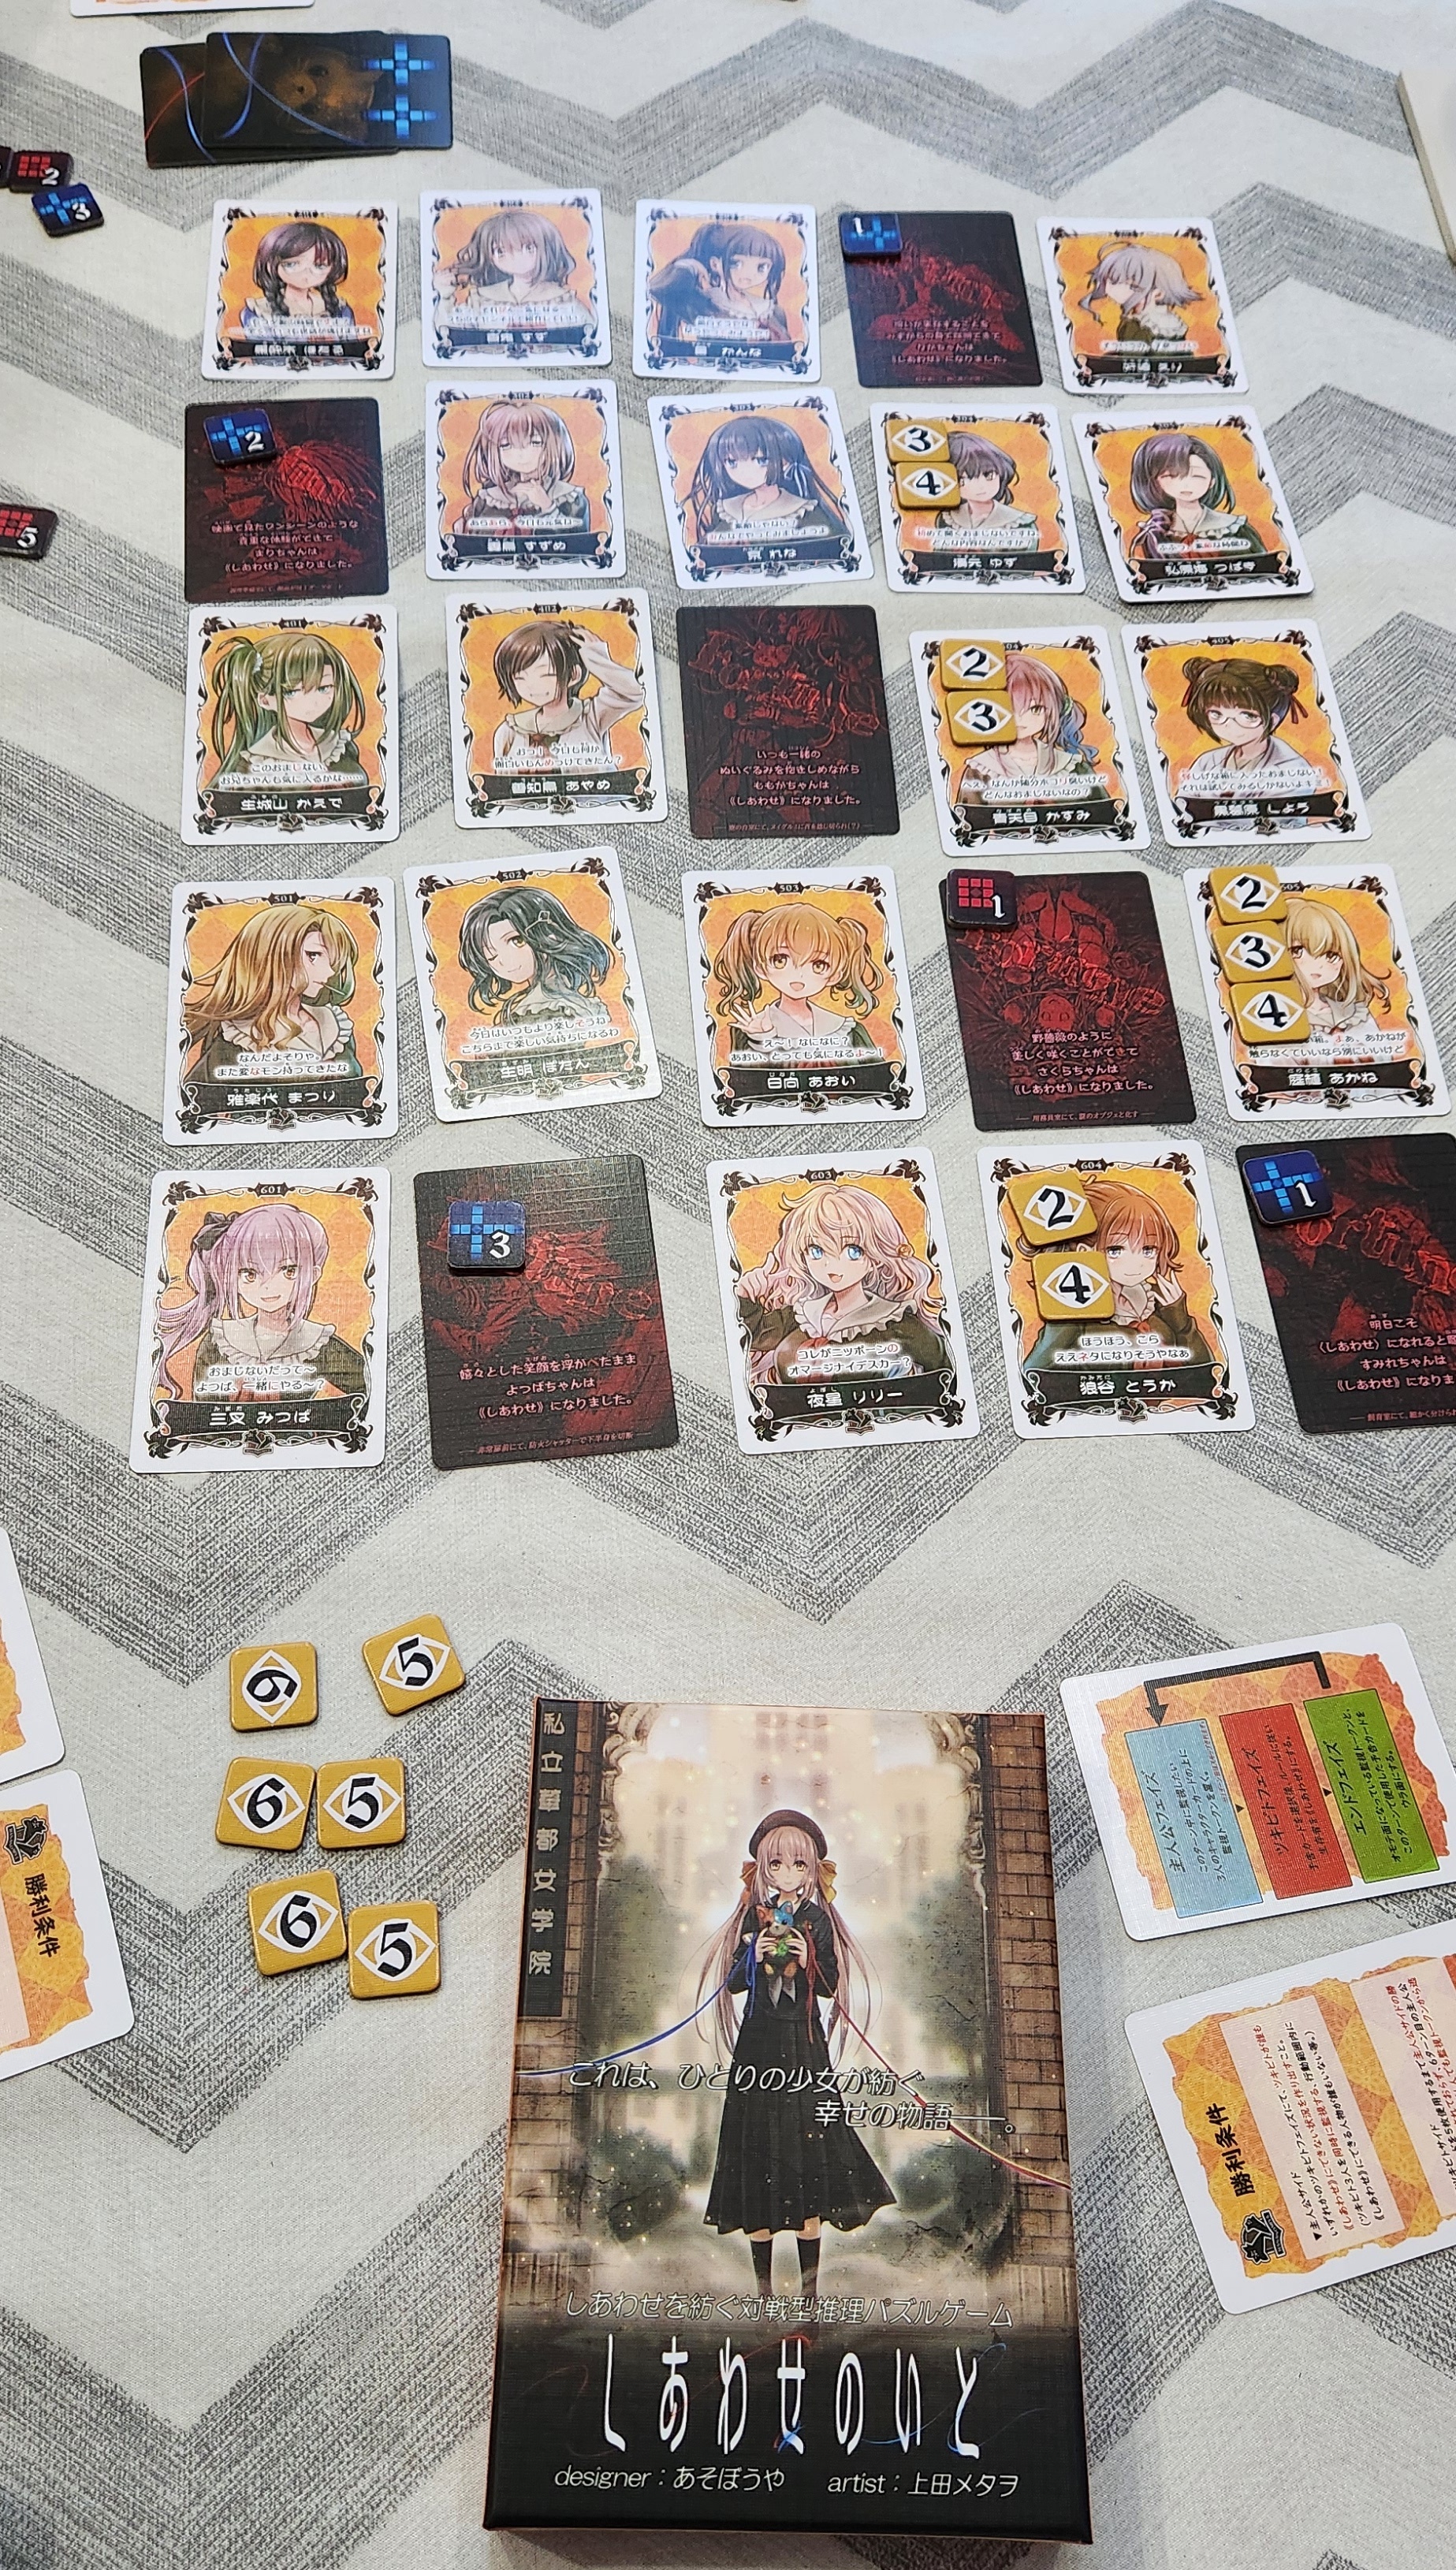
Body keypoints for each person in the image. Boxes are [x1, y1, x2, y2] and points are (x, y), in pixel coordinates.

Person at [699, 1810, 894, 2298]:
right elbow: (734, 1983)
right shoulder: (753, 1916)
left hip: (805, 2046)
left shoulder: (817, 1920)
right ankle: (763, 2292)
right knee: (757, 2150)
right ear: (763, 1868)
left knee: (809, 2152)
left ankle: (809, 2296)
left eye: (799, 1865)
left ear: (812, 1870)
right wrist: (753, 1954)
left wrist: (808, 1960)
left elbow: (829, 1987)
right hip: (758, 2044)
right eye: (777, 1865)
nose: (787, 1874)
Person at [737, 1180, 948, 1386]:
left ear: (876, 1257)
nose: (831, 1265)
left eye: (852, 1251)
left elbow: (945, 1370)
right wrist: (745, 1295)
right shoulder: (802, 1315)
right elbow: (753, 1337)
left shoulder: (894, 1321)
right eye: (816, 1251)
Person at [153, 1202, 367, 1404]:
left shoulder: (318, 1343)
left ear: (312, 1275)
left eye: (288, 1271)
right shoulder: (221, 1340)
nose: (268, 1287)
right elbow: (202, 1409)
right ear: (231, 1278)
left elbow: (369, 1388)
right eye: (250, 1273)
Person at [1023, 1175, 1215, 1384]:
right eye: (1116, 1250)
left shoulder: (1159, 1301)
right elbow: (1032, 1373)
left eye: (1148, 1249)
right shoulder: (1075, 1314)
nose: (1136, 1264)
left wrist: (1179, 1318)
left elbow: (1206, 1375)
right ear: (1085, 1252)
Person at [184, 904, 362, 1085]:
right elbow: (197, 1095)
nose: (330, 972)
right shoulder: (239, 1035)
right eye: (313, 955)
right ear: (270, 955)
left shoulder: (333, 1027)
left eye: (332, 960)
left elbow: (359, 1092)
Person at [708, 900, 883, 1057]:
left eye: (819, 964)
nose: (799, 975)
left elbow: (880, 1075)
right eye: (780, 960)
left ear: (835, 975)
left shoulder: (846, 1029)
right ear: (760, 968)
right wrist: (762, 1039)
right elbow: (745, 1079)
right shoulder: (752, 1030)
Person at [208, 631, 368, 784]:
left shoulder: (339, 745)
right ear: (265, 700)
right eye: (292, 692)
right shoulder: (255, 761)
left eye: (323, 688)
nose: (313, 702)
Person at [488, 619, 643, 773]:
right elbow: (501, 779)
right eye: (520, 678)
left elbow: (635, 691)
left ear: (574, 675)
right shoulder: (509, 730)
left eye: (545, 674)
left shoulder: (590, 716)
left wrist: (597, 658)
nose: (531, 686)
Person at [457, 883, 614, 1027]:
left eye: (517, 941)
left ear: (550, 935)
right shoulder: (543, 1004)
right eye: (492, 955)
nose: (504, 961)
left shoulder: (547, 1008)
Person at [686, 415, 847, 547]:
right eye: (732, 462)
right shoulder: (725, 509)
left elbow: (835, 550)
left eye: (761, 460)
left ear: (786, 462)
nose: (745, 472)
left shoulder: (805, 511)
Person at [1178, 654, 1325, 798]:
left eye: (1247, 716)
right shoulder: (1207, 762)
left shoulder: (1292, 768)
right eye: (1216, 714)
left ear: (1272, 721)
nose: (1229, 725)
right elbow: (1183, 805)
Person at [958, 650, 1091, 797]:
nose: (1020, 719)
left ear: (1052, 711)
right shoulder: (982, 767)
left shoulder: (1070, 764)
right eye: (1009, 708)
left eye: (1035, 709)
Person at [649, 220, 792, 352]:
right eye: (736, 263)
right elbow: (659, 289)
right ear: (715, 264)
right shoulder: (704, 302)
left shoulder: (773, 311)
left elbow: (787, 354)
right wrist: (690, 266)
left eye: (762, 267)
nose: (749, 274)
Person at [445, 207, 592, 329]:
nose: (516, 258)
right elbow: (449, 332)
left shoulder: (562, 299)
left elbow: (590, 333)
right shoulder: (482, 298)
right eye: (501, 251)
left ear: (547, 248)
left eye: (528, 248)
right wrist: (445, 297)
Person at [455, 399, 589, 534]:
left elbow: (580, 541)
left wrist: (548, 507)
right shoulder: (489, 499)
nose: (521, 454)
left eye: (535, 442)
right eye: (506, 445)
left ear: (555, 444)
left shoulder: (571, 497)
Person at [1127, 431, 1262, 565]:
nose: (1186, 484)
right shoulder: (1156, 533)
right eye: (1172, 476)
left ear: (1212, 481)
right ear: (1157, 481)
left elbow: (1263, 565)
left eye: (1197, 476)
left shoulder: (1233, 527)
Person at [1283, 893, 1389, 1038]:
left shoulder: (1353, 1014)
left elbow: (1379, 1047)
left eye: (1331, 955)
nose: (1318, 965)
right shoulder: (1276, 1014)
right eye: (1297, 951)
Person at [241, 221, 355, 337]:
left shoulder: (339, 309)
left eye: (319, 266)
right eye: (291, 264)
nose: (306, 272)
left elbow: (350, 343)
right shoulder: (259, 310)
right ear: (270, 266)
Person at [1078, 240, 1200, 346]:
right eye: (1111, 281)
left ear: (1158, 294)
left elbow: (1127, 358)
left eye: (1131, 285)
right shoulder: (1173, 323)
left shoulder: (1137, 325)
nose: (1110, 289)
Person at [937, 431, 1038, 545]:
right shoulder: (949, 519)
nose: (981, 486)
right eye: (964, 478)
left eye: (989, 475)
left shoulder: (1019, 522)